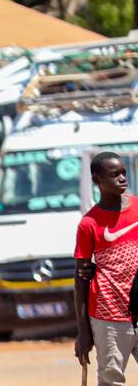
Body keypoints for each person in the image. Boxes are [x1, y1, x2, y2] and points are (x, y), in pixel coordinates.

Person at [75, 152, 138, 384]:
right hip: (108, 315)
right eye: (115, 175)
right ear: (97, 180)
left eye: (124, 172)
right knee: (111, 379)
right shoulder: (89, 224)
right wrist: (83, 331)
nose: (123, 178)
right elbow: (80, 278)